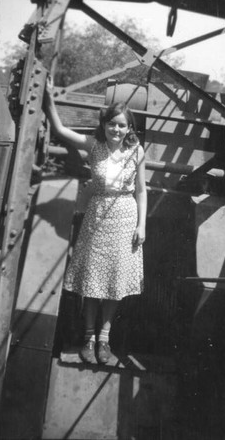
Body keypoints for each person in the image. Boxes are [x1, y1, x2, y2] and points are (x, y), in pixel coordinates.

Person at [44, 78, 147, 364]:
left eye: (122, 125)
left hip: (125, 216)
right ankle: (88, 338)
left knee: (114, 280)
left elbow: (141, 191)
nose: (116, 129)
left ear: (130, 128)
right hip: (97, 214)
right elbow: (61, 130)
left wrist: (142, 226)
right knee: (93, 280)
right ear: (104, 125)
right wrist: (49, 99)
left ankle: (105, 340)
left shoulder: (136, 152)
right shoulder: (94, 146)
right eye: (112, 123)